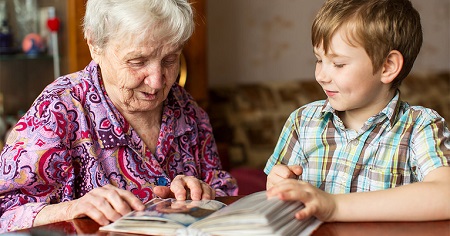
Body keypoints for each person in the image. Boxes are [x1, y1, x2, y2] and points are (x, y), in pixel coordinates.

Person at [0, 0, 237, 232]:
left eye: (169, 59)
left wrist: (204, 193)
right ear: (95, 45)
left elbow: (225, 192)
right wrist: (71, 209)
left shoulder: (187, 109)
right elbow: (5, 213)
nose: (156, 81)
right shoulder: (56, 112)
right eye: (138, 61)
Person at [265, 0, 449, 222]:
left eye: (338, 64)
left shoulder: (420, 127)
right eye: (318, 60)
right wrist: (279, 184)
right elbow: (277, 193)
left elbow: (445, 195)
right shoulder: (302, 121)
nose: (321, 75)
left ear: (387, 66)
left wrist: (334, 206)